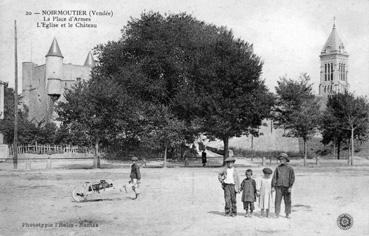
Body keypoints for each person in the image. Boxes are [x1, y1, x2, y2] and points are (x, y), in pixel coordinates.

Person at [272, 153, 295, 218]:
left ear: (286, 160)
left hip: (287, 187)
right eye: (280, 159)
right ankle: (277, 213)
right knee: (277, 200)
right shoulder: (277, 168)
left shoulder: (290, 168)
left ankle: (287, 213)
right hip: (278, 187)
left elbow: (292, 178)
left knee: (287, 201)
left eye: (283, 159)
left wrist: (290, 186)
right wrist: (273, 186)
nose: (281, 160)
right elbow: (274, 177)